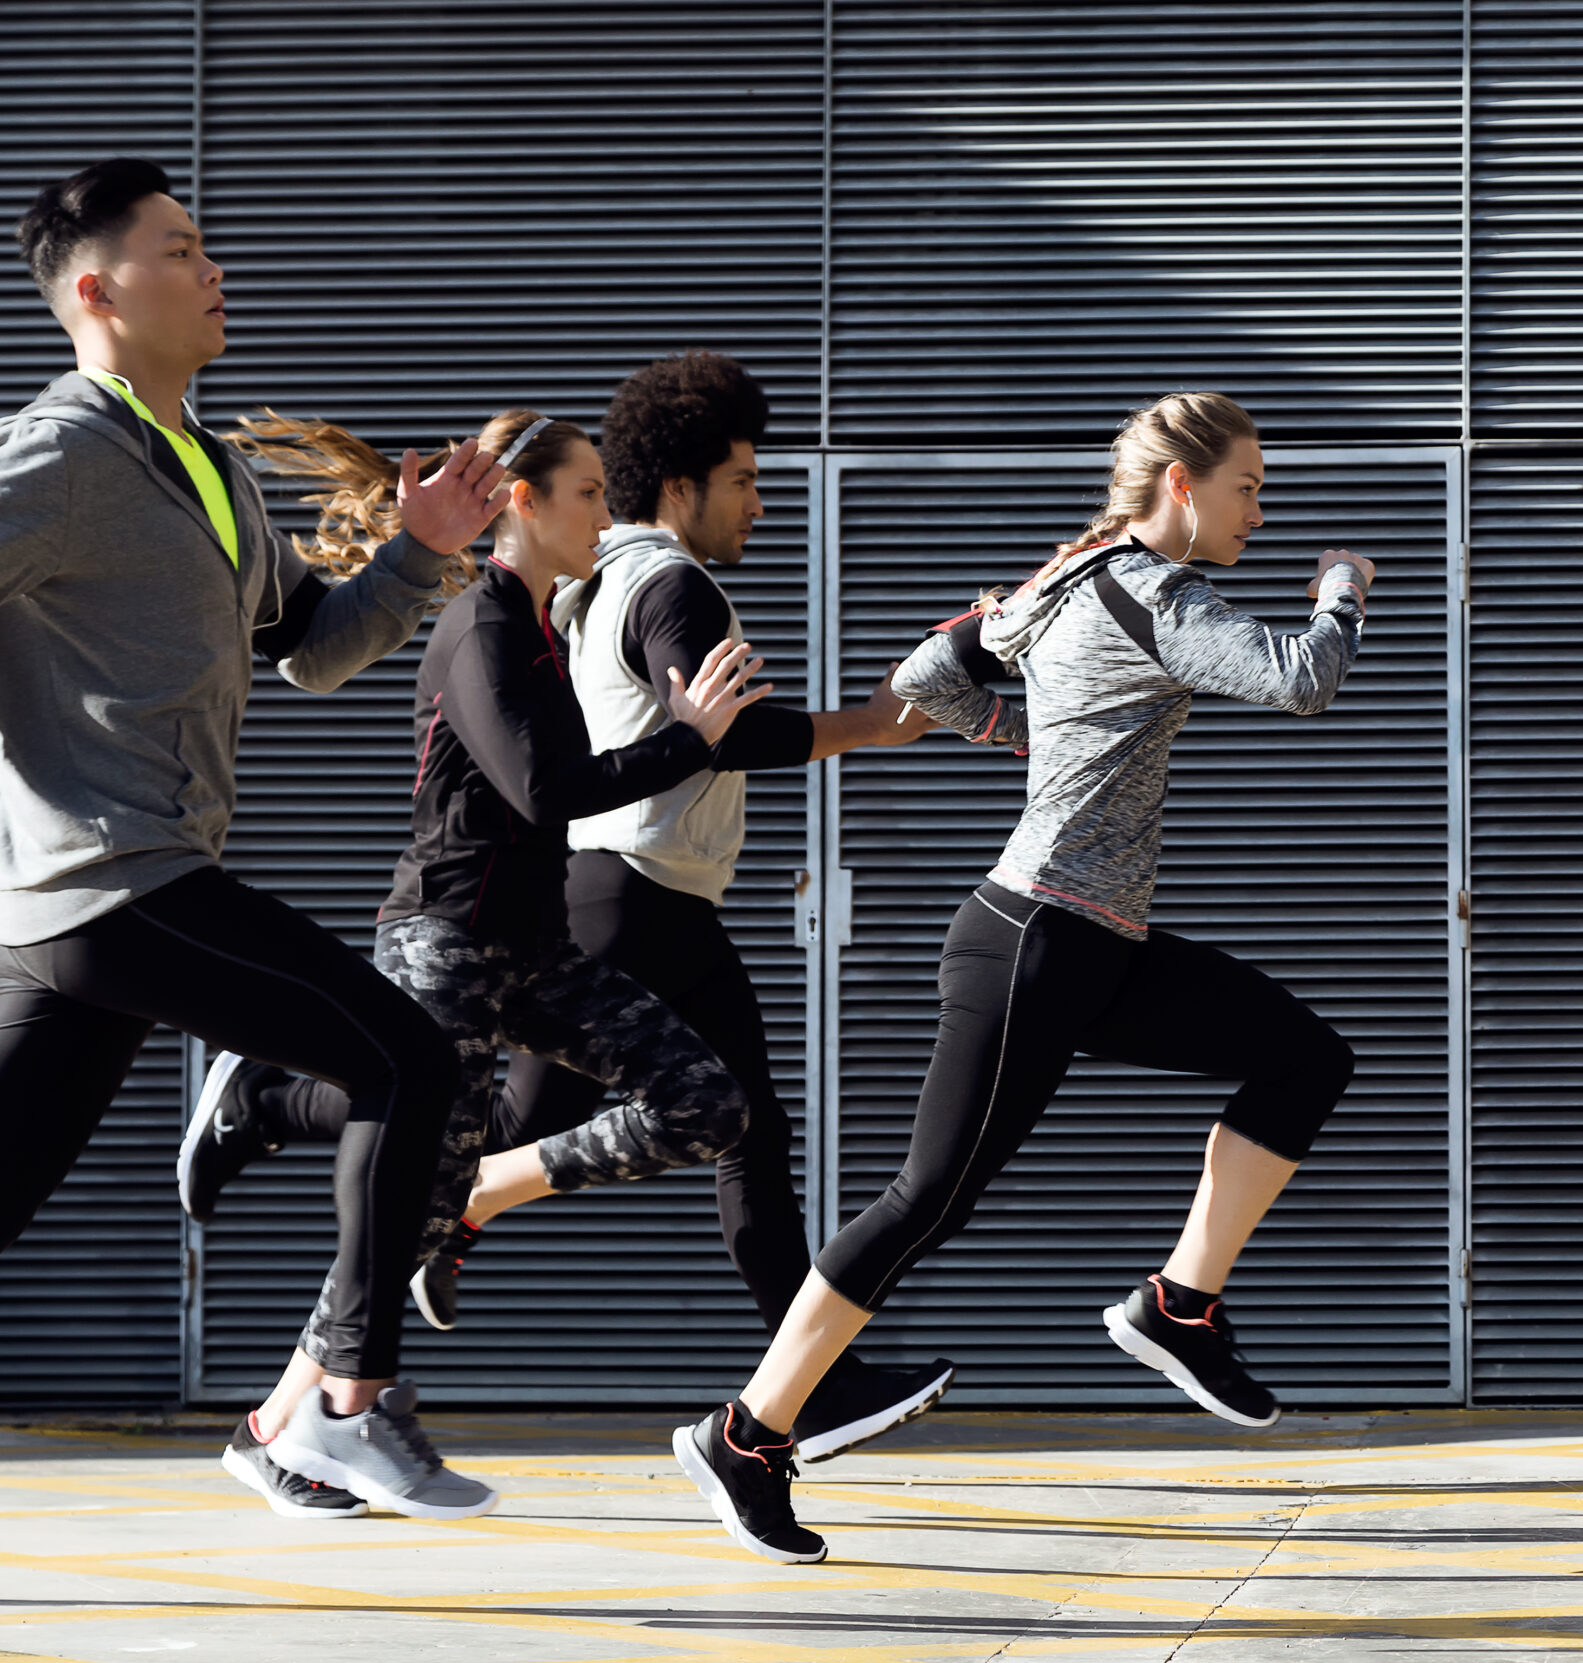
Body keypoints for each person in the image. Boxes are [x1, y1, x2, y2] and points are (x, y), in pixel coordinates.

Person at [183, 352, 965, 1461]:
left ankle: (311, 1321)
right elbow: (685, 742)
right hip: (591, 899)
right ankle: (276, 1135)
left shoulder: (568, 601)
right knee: (466, 1138)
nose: (760, 499)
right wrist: (866, 724)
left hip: (588, 904)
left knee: (619, 1127)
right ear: (679, 486)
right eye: (742, 478)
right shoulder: (637, 590)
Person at [672, 391, 1376, 1563]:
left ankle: (1178, 1308)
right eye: (1249, 488)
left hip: (1089, 942)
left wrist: (1033, 732)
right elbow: (1303, 677)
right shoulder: (1155, 591)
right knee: (926, 1201)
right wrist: (1340, 587)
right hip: (1036, 940)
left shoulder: (1067, 579)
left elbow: (925, 676)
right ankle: (747, 1435)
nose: (1263, 511)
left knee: (1304, 1057)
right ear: (1185, 490)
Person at [0, 157, 512, 1522]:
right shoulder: (58, 452)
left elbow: (313, 650)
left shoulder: (206, 465)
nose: (212, 265)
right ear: (100, 292)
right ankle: (341, 1405)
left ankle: (256, 1124)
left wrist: (415, 551)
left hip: (104, 903)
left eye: (206, 243)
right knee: (411, 1053)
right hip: (111, 877)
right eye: (180, 248)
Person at [193, 407, 770, 1518]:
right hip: (447, 941)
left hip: (535, 948)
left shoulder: (548, 625)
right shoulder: (483, 624)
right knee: (408, 1205)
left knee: (706, 1104)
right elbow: (546, 794)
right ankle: (279, 1404)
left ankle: (307, 1144)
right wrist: (686, 739)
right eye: (591, 493)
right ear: (524, 504)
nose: (608, 512)